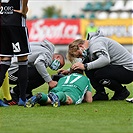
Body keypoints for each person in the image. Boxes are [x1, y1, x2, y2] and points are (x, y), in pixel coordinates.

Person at [66, 30, 133, 101]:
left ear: (80, 46)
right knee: (87, 65)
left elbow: (105, 60)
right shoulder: (91, 45)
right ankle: (101, 94)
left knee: (99, 73)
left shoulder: (96, 44)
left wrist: (85, 66)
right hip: (121, 68)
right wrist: (69, 70)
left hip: (129, 70)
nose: (81, 57)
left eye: (79, 55)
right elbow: (83, 63)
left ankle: (121, 92)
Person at [8, 39, 65, 104]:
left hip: (9, 65)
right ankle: (15, 92)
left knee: (37, 72)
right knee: (41, 75)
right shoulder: (48, 54)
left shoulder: (40, 46)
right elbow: (38, 63)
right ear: (57, 57)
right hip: (11, 71)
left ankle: (26, 93)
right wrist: (50, 81)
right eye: (59, 64)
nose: (56, 67)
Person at [0, 0, 30, 106]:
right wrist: (23, 10)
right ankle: (22, 98)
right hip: (16, 23)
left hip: (2, 21)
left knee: (4, 59)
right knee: (22, 59)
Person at [25, 69, 92, 108]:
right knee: (68, 99)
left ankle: (41, 96)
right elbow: (89, 100)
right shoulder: (86, 79)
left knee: (49, 100)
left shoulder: (62, 78)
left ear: (70, 72)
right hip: (72, 91)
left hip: (57, 89)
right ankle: (57, 96)